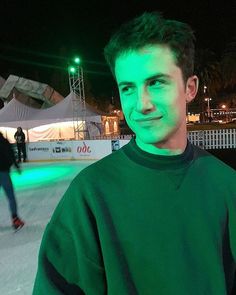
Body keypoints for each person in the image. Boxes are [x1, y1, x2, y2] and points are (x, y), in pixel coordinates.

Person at [33, 12, 236, 294]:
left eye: (156, 83)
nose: (141, 104)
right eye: (128, 88)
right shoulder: (91, 194)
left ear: (190, 88)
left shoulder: (228, 187)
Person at [0, 132, 25, 230]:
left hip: (4, 171)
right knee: (11, 197)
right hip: (4, 172)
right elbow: (11, 154)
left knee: (11, 197)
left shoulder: (4, 141)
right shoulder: (4, 141)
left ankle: (15, 219)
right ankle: (15, 219)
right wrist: (16, 165)